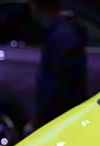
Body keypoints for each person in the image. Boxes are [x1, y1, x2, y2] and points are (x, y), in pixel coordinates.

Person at [30, 0, 87, 128]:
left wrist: (40, 115)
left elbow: (53, 81)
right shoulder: (68, 30)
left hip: (58, 113)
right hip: (68, 110)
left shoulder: (60, 36)